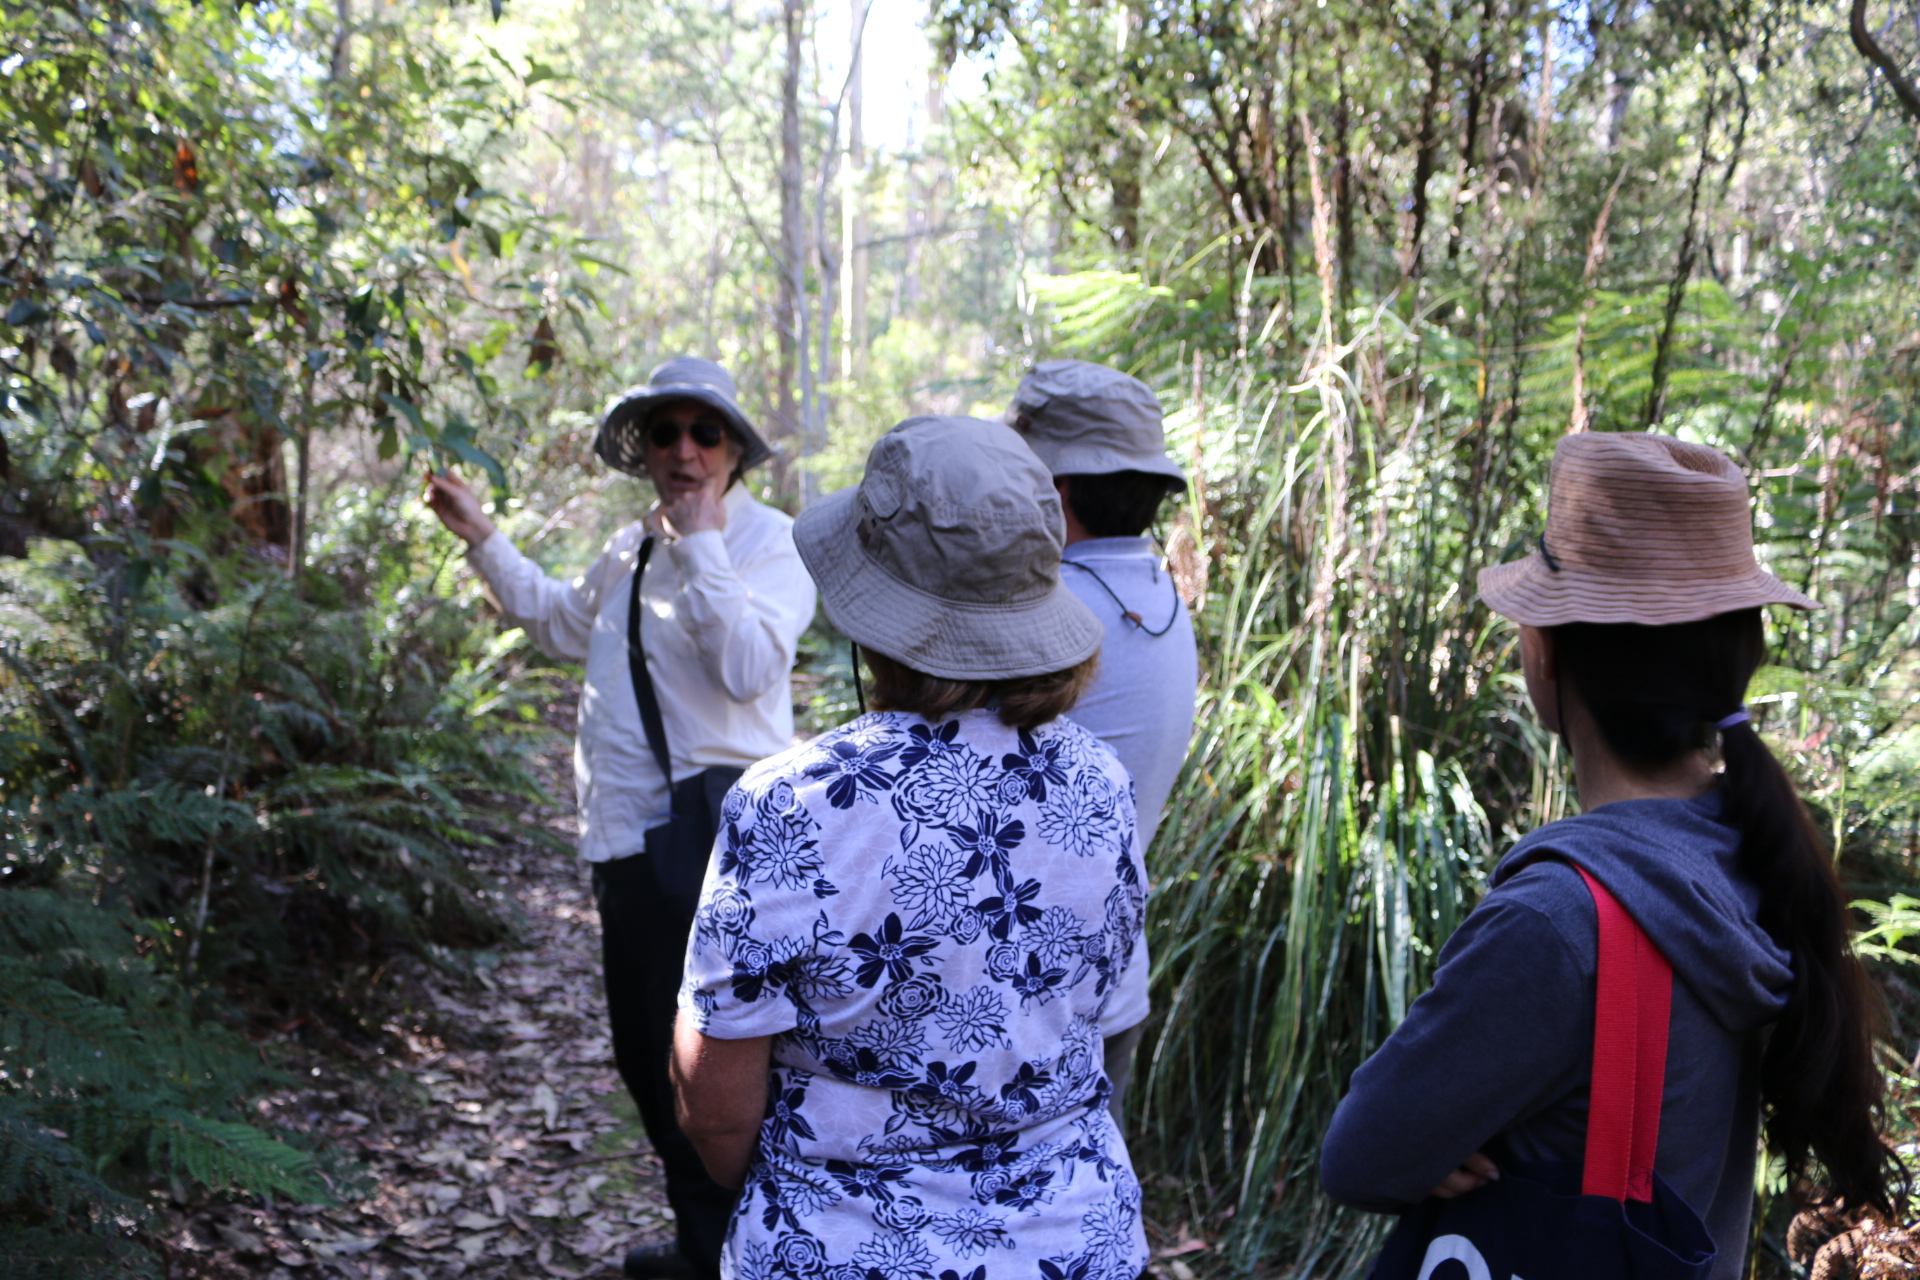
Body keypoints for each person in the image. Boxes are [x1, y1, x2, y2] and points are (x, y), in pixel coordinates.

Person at [1318, 433, 1898, 1278]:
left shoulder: (1557, 925)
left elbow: (1361, 1156)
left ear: (1545, 651)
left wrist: (1435, 1141)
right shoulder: (1752, 853)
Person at [668, 416, 1151, 1280]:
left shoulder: (792, 805)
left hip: (843, 1248)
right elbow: (1095, 1006)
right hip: (1074, 1244)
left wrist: (815, 1193)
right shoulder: (1100, 784)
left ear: (872, 613)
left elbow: (714, 1107)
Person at [424, 357, 816, 1280]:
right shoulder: (629, 546)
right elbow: (562, 625)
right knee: (647, 1058)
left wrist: (705, 541)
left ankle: (744, 1247)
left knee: (723, 1064)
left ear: (732, 451)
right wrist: (481, 536)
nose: (683, 450)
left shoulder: (773, 543)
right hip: (625, 844)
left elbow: (753, 667)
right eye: (664, 433)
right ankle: (701, 1240)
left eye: (703, 432)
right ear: (642, 449)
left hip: (722, 847)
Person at [1009, 360, 1197, 1121]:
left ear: (1051, 491)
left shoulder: (1052, 619)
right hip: (1114, 977)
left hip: (1035, 1000)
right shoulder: (1159, 597)